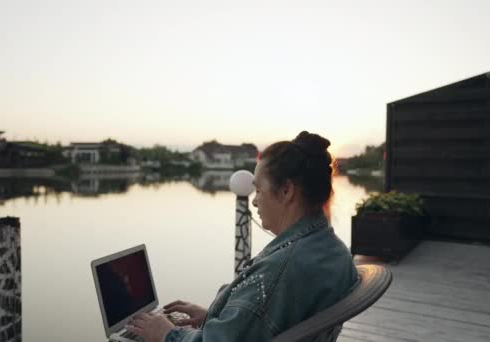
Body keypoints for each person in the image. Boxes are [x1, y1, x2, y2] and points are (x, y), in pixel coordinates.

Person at [127, 131, 358, 342]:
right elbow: (269, 317)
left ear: (287, 191)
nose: (255, 200)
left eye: (258, 190)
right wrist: (214, 317)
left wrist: (166, 333)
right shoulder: (331, 249)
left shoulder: (281, 268)